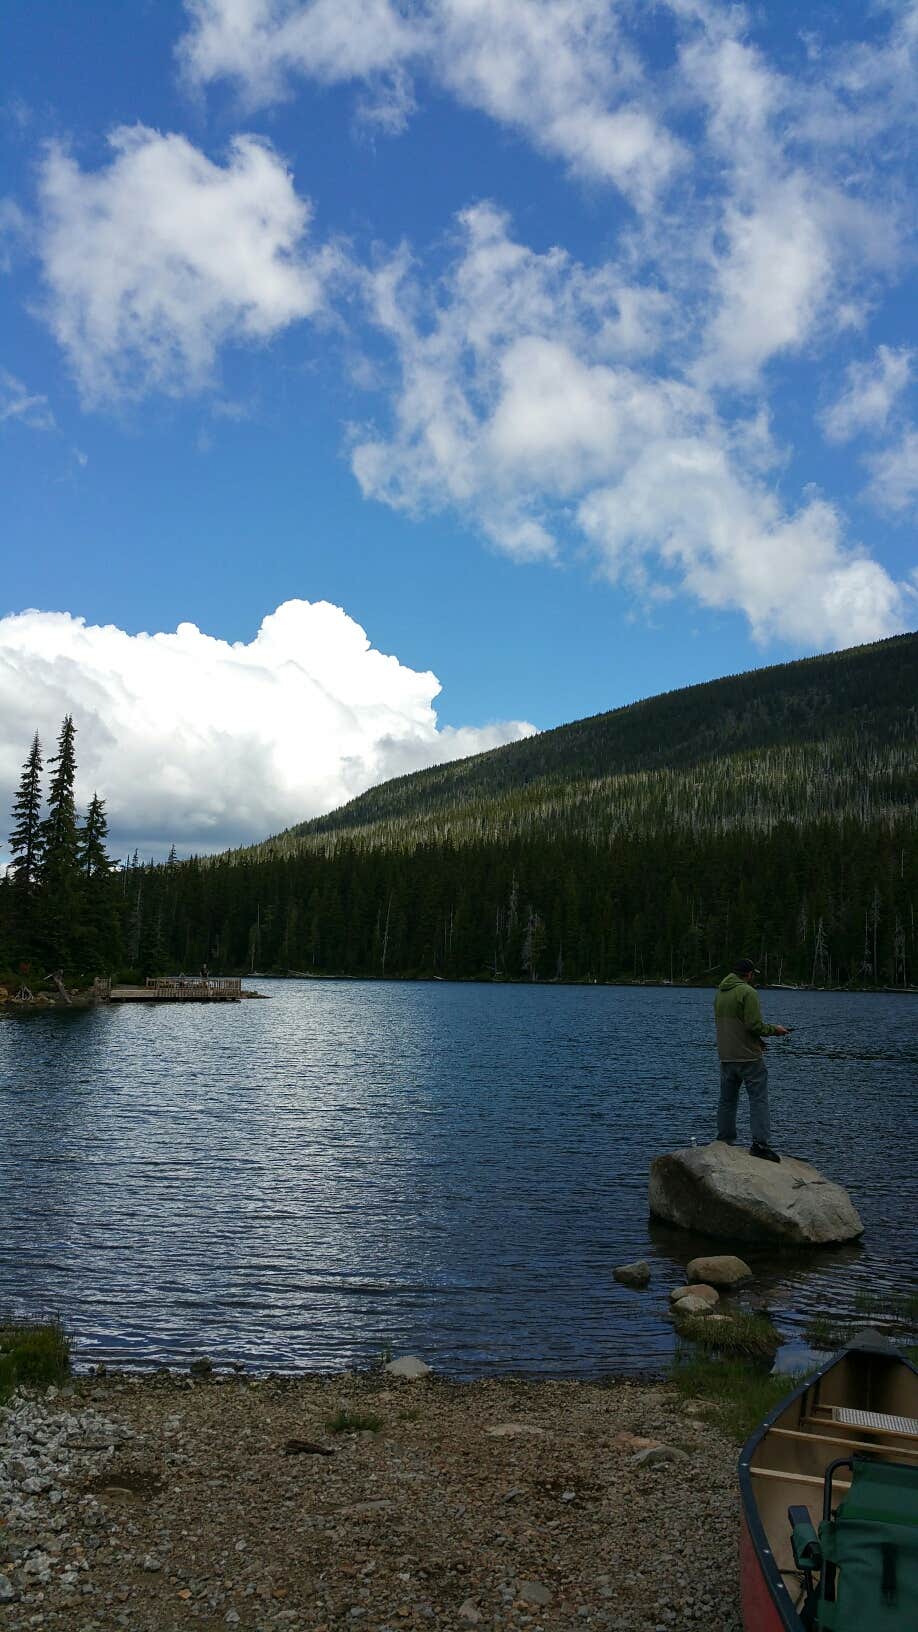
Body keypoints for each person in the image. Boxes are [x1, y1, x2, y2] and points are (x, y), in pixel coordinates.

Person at [714, 958, 789, 1162]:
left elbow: (737, 1027)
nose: (752, 977)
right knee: (758, 1099)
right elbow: (754, 1025)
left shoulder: (720, 993)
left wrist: (759, 1041)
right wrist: (775, 1030)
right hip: (748, 1058)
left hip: (726, 1056)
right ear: (747, 974)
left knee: (727, 1100)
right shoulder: (748, 992)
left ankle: (724, 1141)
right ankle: (760, 1145)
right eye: (752, 974)